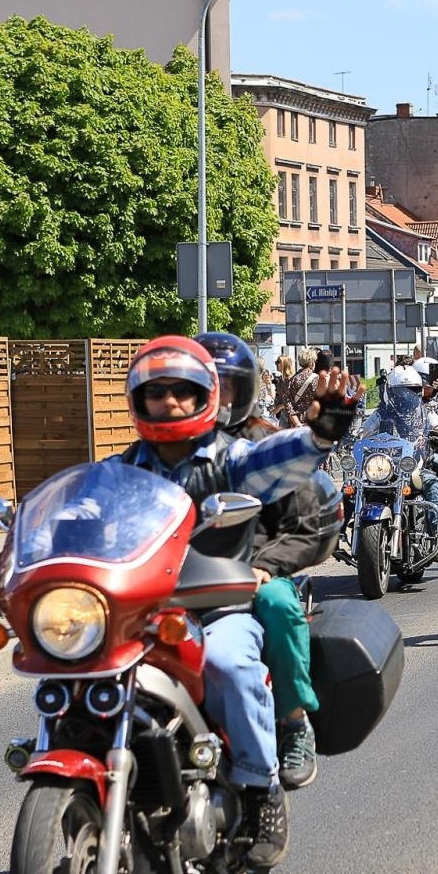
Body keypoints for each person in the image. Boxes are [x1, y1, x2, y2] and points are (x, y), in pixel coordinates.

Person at [119, 335, 359, 865]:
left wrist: (319, 435)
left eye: (184, 391)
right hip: (146, 610)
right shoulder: (122, 469)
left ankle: (260, 788)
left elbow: (275, 461)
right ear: (138, 400)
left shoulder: (232, 457)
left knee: (228, 662)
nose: (170, 403)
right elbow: (82, 513)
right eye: (156, 393)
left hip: (221, 600)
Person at [197, 333, 335, 790]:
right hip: (177, 575)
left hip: (250, 569)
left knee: (278, 605)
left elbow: (304, 528)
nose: (215, 400)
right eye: (204, 388)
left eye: (225, 388)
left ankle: (294, 722)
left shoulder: (264, 444)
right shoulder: (164, 450)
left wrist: (264, 567)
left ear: (242, 391)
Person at [363, 363, 438, 542]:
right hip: (385, 467)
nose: (407, 395)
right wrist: (352, 438)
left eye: (412, 390)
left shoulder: (423, 411)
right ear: (391, 391)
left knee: (433, 482)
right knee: (352, 487)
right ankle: (337, 533)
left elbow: (437, 425)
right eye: (401, 391)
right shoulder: (382, 413)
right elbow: (364, 430)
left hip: (415, 464)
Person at [277, 347, 318, 427]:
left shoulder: (293, 380)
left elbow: (287, 402)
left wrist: (296, 422)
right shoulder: (316, 379)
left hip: (295, 424)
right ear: (312, 363)